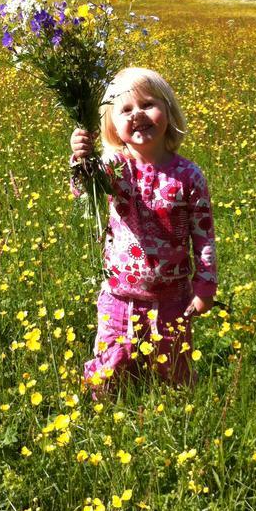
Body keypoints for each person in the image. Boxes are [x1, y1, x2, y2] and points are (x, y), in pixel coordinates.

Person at [70, 66, 217, 390]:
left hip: (173, 298)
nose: (137, 114)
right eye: (125, 110)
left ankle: (179, 417)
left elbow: (203, 234)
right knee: (110, 369)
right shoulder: (114, 167)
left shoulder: (188, 176)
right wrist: (80, 156)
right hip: (119, 297)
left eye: (147, 104)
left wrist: (205, 285)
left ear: (168, 111)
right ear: (112, 125)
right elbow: (83, 192)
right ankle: (103, 413)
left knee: (175, 371)